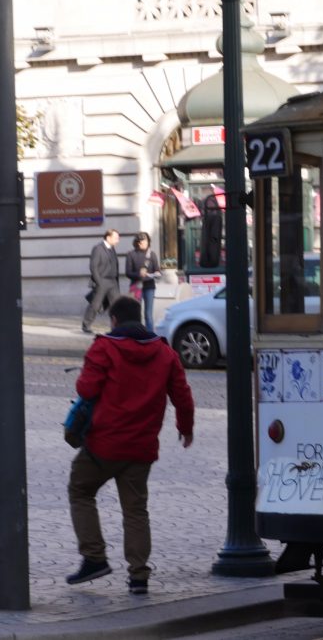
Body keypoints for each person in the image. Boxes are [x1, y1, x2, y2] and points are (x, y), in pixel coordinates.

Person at [66, 296, 195, 595]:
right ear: (140, 318)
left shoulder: (104, 347)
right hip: (141, 448)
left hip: (104, 445)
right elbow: (183, 396)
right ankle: (138, 576)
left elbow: (86, 389)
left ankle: (94, 556)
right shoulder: (165, 353)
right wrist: (185, 429)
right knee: (136, 510)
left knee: (80, 489)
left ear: (114, 321)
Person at [82, 229, 121, 334]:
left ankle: (116, 327)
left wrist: (116, 282)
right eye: (116, 238)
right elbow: (93, 266)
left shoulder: (112, 249)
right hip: (102, 281)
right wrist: (99, 282)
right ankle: (86, 325)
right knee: (95, 304)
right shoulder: (98, 248)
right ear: (108, 237)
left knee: (116, 305)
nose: (118, 240)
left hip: (113, 282)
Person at [124, 232, 161, 331]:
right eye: (142, 242)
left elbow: (157, 269)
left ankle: (150, 335)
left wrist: (156, 273)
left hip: (149, 286)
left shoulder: (152, 254)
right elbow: (128, 272)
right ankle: (137, 333)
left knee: (148, 314)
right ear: (137, 243)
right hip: (136, 287)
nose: (144, 244)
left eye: (146, 241)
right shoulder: (131, 254)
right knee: (136, 312)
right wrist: (138, 274)